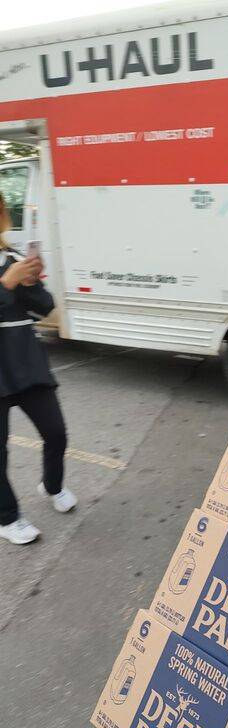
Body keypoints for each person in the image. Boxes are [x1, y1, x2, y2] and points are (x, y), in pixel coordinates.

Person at [0, 192, 76, 545]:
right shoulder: (9, 271)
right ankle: (7, 519)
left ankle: (52, 485)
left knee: (56, 433)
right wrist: (6, 284)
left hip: (27, 364)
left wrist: (29, 282)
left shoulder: (13, 259)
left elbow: (46, 307)